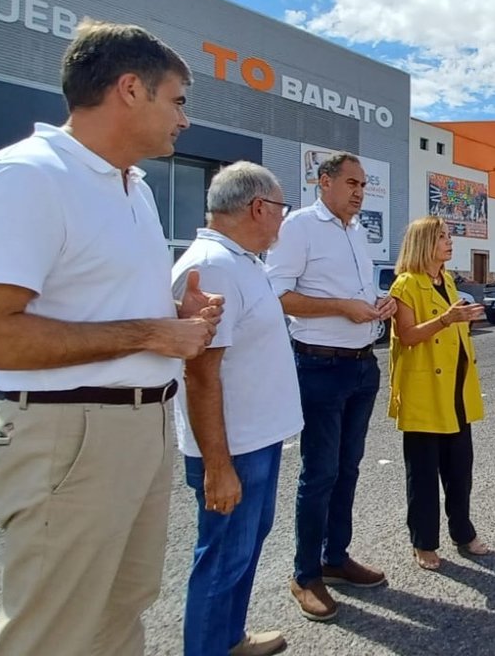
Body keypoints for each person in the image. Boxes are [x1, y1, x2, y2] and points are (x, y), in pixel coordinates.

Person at [0, 20, 222, 656]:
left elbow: (95, 301)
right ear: (130, 89)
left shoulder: (133, 187)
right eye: (178, 100)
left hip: (141, 425)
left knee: (120, 613)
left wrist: (171, 311)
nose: (184, 120)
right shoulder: (29, 174)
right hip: (69, 432)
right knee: (54, 635)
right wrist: (151, 330)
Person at [172, 163, 301, 656]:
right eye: (280, 210)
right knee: (223, 557)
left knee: (243, 550)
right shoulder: (216, 265)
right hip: (233, 446)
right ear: (258, 208)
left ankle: (230, 640)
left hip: (257, 439)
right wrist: (218, 465)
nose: (281, 222)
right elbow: (201, 374)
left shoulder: (244, 260)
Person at [265, 152, 396, 622]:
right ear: (325, 182)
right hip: (319, 366)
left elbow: (355, 296)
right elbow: (277, 294)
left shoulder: (357, 231)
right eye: (352, 183)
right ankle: (305, 574)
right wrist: (343, 306)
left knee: (348, 469)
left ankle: (335, 557)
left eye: (364, 185)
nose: (360, 192)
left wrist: (378, 304)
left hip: (362, 366)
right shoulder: (299, 227)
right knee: (319, 474)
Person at [388, 216, 488, 570]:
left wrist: (463, 319)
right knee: (424, 474)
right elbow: (408, 335)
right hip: (424, 394)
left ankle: (463, 531)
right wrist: (446, 320)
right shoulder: (405, 285)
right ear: (423, 244)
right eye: (442, 237)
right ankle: (424, 542)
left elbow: (451, 325)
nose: (450, 242)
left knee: (460, 471)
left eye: (448, 236)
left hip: (456, 393)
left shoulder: (445, 279)